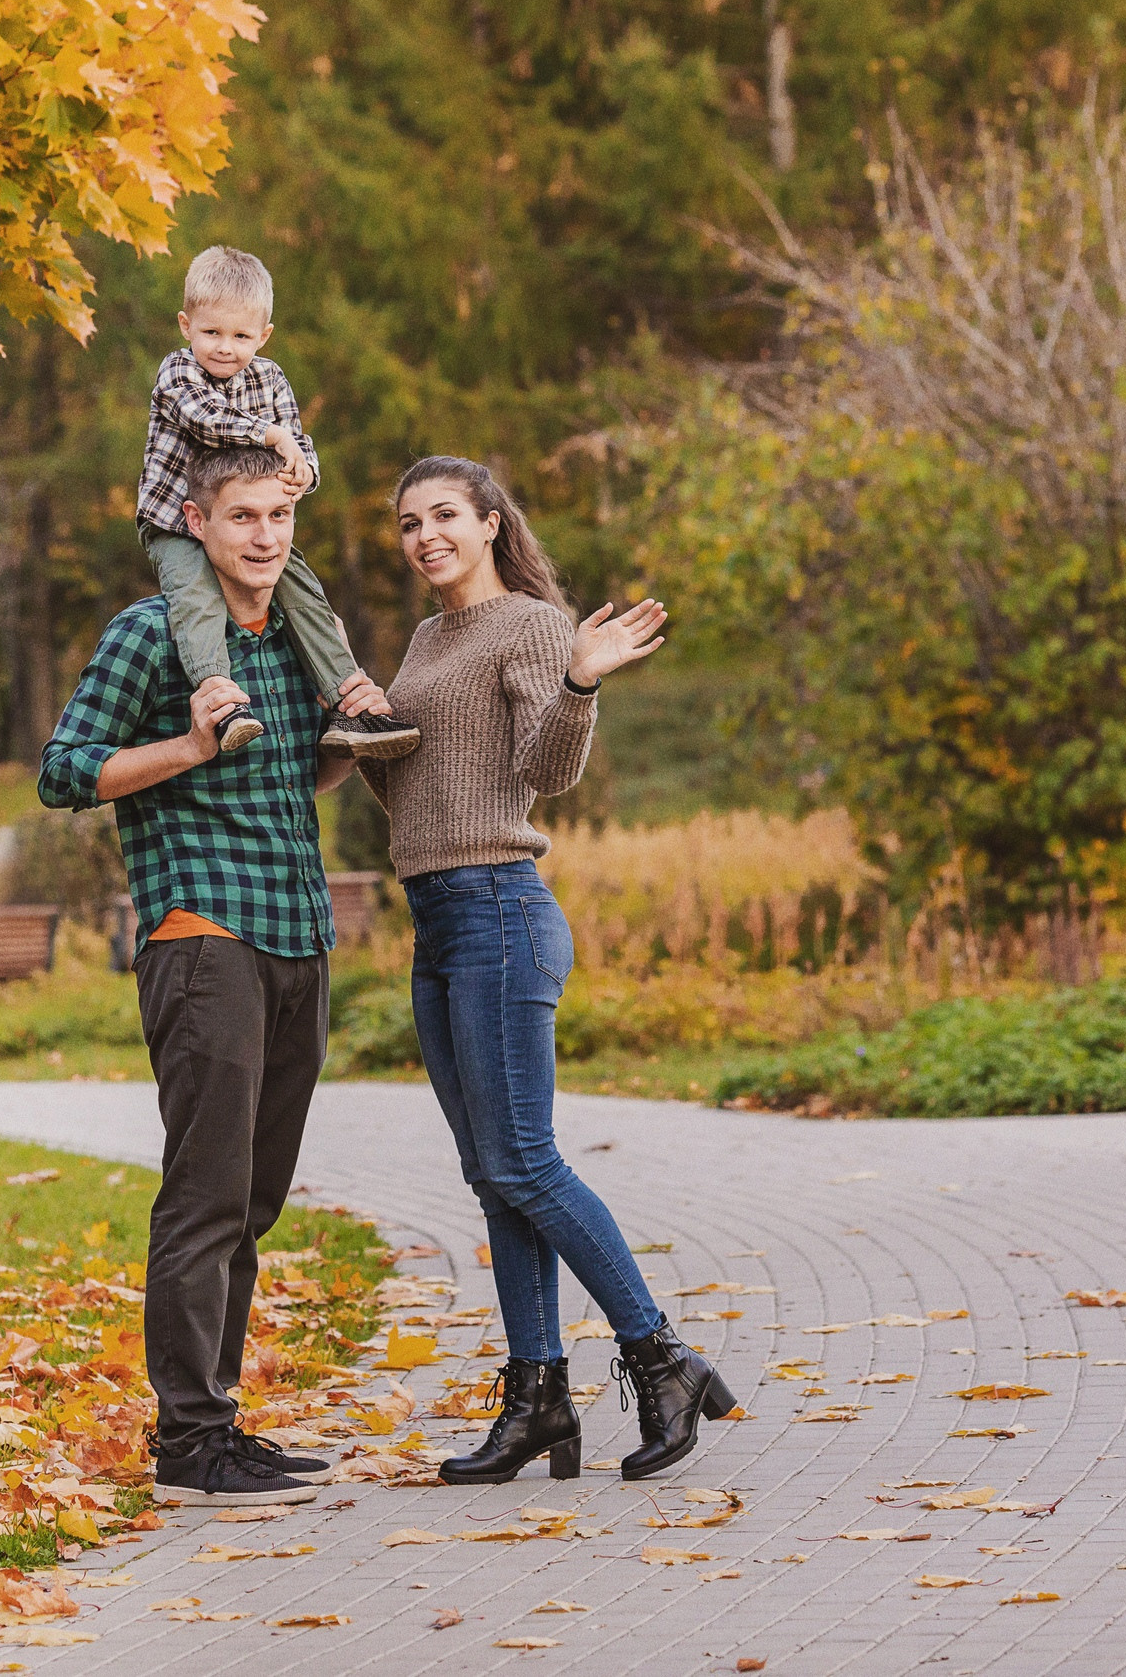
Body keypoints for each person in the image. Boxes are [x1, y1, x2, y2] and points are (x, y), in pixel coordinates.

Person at [362, 454, 737, 1486]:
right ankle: (537, 1402)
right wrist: (360, 738)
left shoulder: (530, 625)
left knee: (523, 1159)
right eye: (406, 523)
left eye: (443, 514)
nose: (423, 534)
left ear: (489, 523)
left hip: (498, 911)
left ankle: (660, 1355)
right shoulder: (427, 638)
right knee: (492, 1177)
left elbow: (545, 772)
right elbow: (418, 794)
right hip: (437, 918)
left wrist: (577, 681)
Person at [39, 445, 395, 1505]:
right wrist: (191, 749)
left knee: (254, 1199)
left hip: (296, 933)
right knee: (205, 1197)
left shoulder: (293, 638)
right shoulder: (153, 636)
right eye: (242, 516)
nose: (264, 536)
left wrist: (350, 741)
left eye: (279, 516)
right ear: (196, 523)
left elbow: (302, 775)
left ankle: (219, 1424)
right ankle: (189, 1440)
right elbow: (64, 772)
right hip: (202, 937)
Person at [137, 245, 418, 762]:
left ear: (263, 336)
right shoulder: (176, 373)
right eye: (211, 333)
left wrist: (304, 471)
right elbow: (207, 421)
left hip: (245, 525)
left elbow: (298, 444)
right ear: (185, 325)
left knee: (305, 592)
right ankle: (222, 705)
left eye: (241, 336)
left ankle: (348, 703)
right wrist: (271, 437)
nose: (225, 348)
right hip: (175, 520)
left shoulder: (270, 378)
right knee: (196, 598)